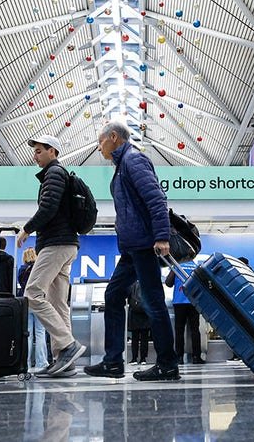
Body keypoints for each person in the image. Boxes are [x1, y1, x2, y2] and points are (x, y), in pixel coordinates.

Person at [85, 120, 180, 381]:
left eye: (100, 142)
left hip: (144, 245)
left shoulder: (134, 160)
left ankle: (167, 364)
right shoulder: (122, 165)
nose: (98, 148)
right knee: (113, 295)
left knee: (153, 302)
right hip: (131, 248)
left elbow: (156, 199)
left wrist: (161, 236)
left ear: (113, 137)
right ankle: (113, 361)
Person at [17, 134, 85, 377]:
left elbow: (47, 208)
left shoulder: (54, 173)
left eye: (38, 151)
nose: (34, 155)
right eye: (34, 151)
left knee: (32, 294)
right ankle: (64, 362)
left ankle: (67, 345)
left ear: (52, 151)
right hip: (66, 244)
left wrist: (26, 229)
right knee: (58, 303)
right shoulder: (57, 174)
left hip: (56, 243)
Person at [18, 247, 48, 371]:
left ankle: (26, 362)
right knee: (40, 333)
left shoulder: (22, 270)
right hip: (39, 301)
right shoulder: (39, 269)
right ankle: (41, 363)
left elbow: (21, 283)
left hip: (26, 302)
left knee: (28, 334)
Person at [165, 268, 204, 364]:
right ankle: (196, 357)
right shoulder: (196, 267)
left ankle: (179, 357)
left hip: (179, 302)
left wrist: (173, 270)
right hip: (193, 301)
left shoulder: (176, 267)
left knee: (179, 331)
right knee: (195, 330)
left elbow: (168, 283)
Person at [127, 281, 151, 364]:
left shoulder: (131, 283)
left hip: (134, 311)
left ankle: (134, 358)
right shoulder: (147, 282)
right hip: (145, 311)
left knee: (135, 337)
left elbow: (128, 296)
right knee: (144, 338)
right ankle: (143, 359)